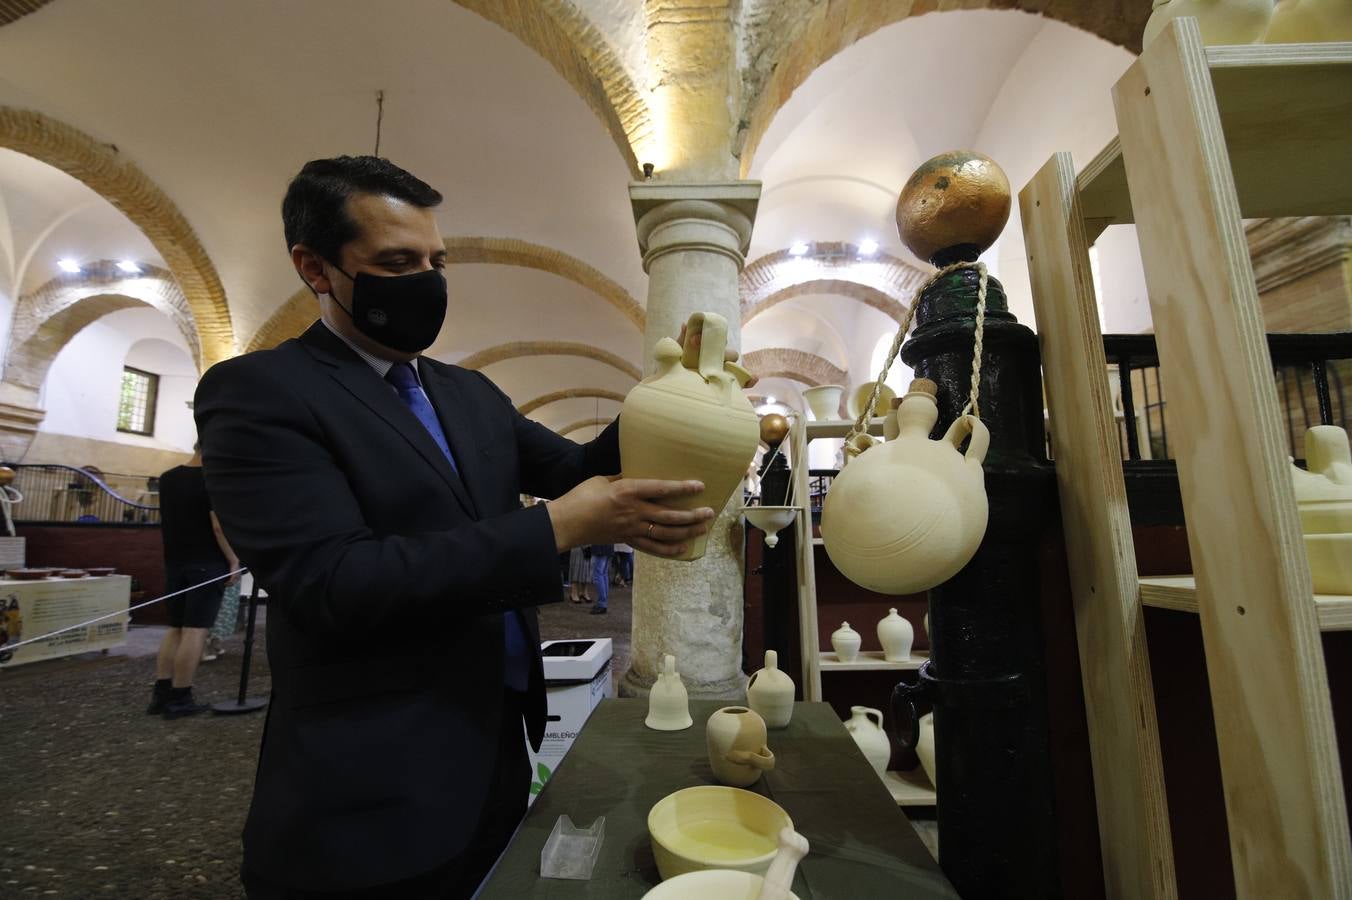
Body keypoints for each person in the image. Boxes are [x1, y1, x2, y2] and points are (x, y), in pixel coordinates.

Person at [194, 156, 719, 898]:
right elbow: (332, 581)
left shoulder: (467, 392)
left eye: (436, 260)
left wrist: (673, 397)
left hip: (494, 741)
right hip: (369, 780)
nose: (428, 281)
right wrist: (553, 532)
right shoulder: (261, 393)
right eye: (396, 263)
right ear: (315, 267)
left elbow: (574, 468)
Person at [147, 443, 240, 718]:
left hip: (175, 562)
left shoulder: (168, 478)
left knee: (175, 628)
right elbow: (217, 526)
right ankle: (181, 696)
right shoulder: (211, 480)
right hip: (206, 564)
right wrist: (233, 560)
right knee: (195, 630)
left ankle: (161, 695)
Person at [588, 543, 613, 615]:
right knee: (603, 574)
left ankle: (602, 604)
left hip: (600, 548)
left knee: (598, 575)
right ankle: (603, 603)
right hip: (608, 547)